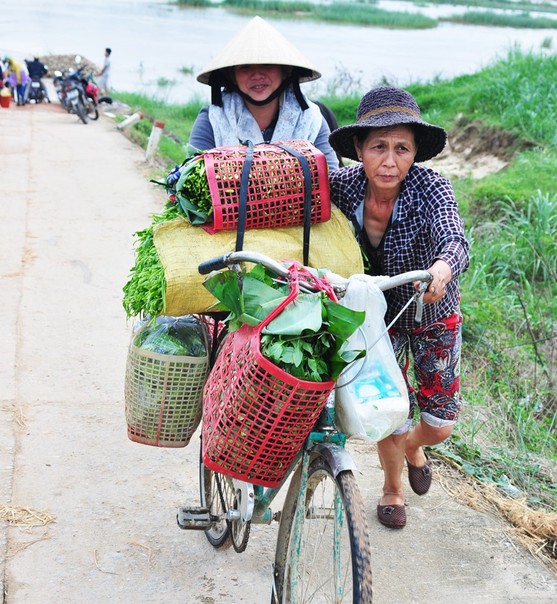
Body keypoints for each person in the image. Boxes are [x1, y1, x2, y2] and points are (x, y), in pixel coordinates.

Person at [329, 86, 470, 529]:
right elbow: (301, 195)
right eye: (378, 147)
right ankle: (392, 490)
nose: (390, 161)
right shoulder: (343, 187)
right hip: (378, 315)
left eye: (401, 148)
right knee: (388, 406)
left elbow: (454, 235)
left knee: (440, 422)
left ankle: (414, 447)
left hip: (431, 309)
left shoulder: (430, 188)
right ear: (358, 148)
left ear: (414, 153)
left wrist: (443, 268)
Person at [189, 16, 339, 172]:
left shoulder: (309, 119)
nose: (257, 75)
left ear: (285, 72)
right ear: (232, 76)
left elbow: (331, 177)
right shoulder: (213, 119)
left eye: (267, 65)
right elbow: (191, 178)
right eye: (245, 67)